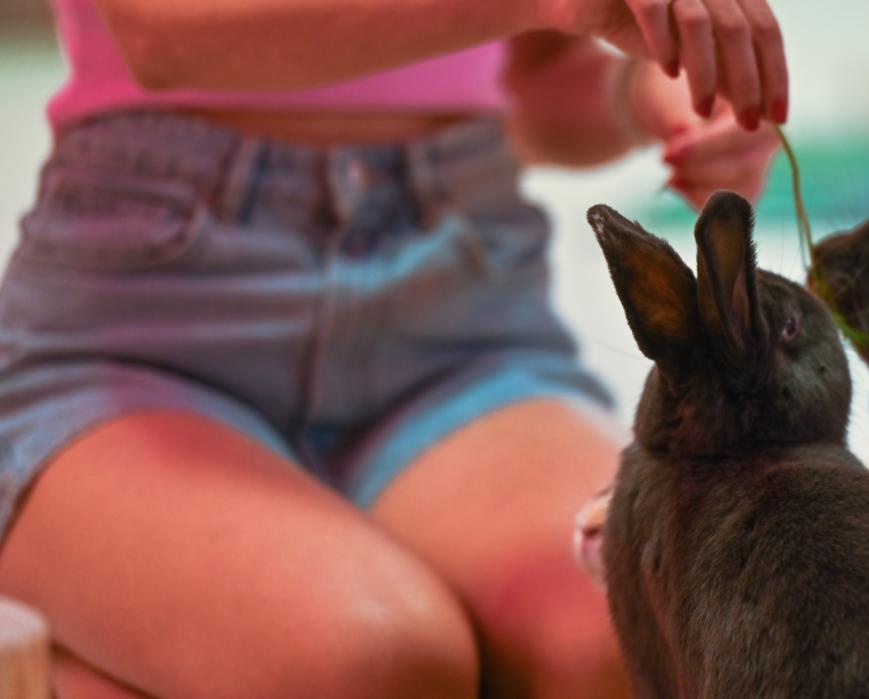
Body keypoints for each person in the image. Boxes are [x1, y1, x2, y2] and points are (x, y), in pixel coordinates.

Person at [0, 0, 787, 696]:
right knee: (372, 662)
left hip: (454, 305)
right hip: (142, 332)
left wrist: (651, 90)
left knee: (650, 630)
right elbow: (166, 30)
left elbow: (521, 74)